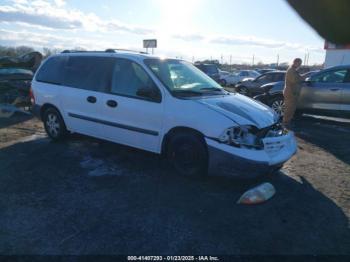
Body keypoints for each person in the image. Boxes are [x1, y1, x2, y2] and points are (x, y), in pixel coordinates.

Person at [283, 58, 304, 128]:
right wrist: (302, 78)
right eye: (299, 63)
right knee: (289, 108)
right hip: (290, 92)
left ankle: (288, 121)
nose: (300, 65)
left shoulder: (294, 70)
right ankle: (286, 123)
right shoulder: (291, 70)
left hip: (293, 92)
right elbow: (294, 80)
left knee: (292, 108)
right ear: (295, 62)